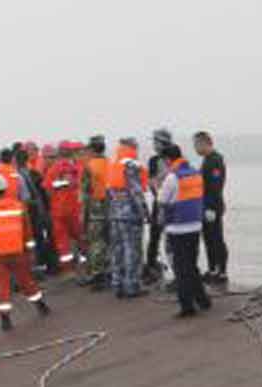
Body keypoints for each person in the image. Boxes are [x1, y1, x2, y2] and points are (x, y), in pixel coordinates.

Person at [0, 173, 50, 329]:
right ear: (5, 188)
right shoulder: (18, 206)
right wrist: (31, 252)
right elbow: (28, 232)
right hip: (18, 252)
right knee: (27, 281)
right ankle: (40, 306)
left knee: (2, 286)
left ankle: (5, 319)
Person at [155, 141, 213, 317]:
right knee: (192, 265)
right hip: (195, 226)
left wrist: (158, 184)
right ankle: (203, 300)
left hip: (177, 227)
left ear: (167, 159)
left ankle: (187, 306)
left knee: (181, 268)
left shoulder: (172, 177)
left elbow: (162, 200)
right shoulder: (195, 173)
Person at [105, 136, 147, 296]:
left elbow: (108, 191)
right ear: (133, 147)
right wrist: (144, 212)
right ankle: (132, 285)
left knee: (117, 249)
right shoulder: (131, 166)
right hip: (130, 214)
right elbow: (136, 192)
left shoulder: (113, 165)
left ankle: (117, 284)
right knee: (132, 249)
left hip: (114, 213)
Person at [194, 130, 229, 283]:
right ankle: (212, 268)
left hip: (212, 206)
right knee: (208, 239)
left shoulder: (215, 161)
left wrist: (211, 208)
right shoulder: (206, 160)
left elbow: (216, 186)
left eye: (197, 144)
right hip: (205, 205)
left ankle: (221, 271)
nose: (195, 148)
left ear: (205, 143)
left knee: (216, 238)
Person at [45, 142, 84, 275]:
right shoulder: (76, 168)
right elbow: (83, 186)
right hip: (74, 209)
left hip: (58, 211)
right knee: (81, 236)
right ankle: (86, 263)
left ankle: (68, 270)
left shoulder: (52, 169)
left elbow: (47, 189)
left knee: (62, 242)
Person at [79, 133, 110, 286]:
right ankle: (111, 269)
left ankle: (97, 273)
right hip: (111, 207)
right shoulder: (110, 163)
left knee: (96, 241)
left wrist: (82, 216)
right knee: (109, 240)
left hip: (95, 208)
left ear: (92, 149)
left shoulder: (89, 167)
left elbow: (84, 193)